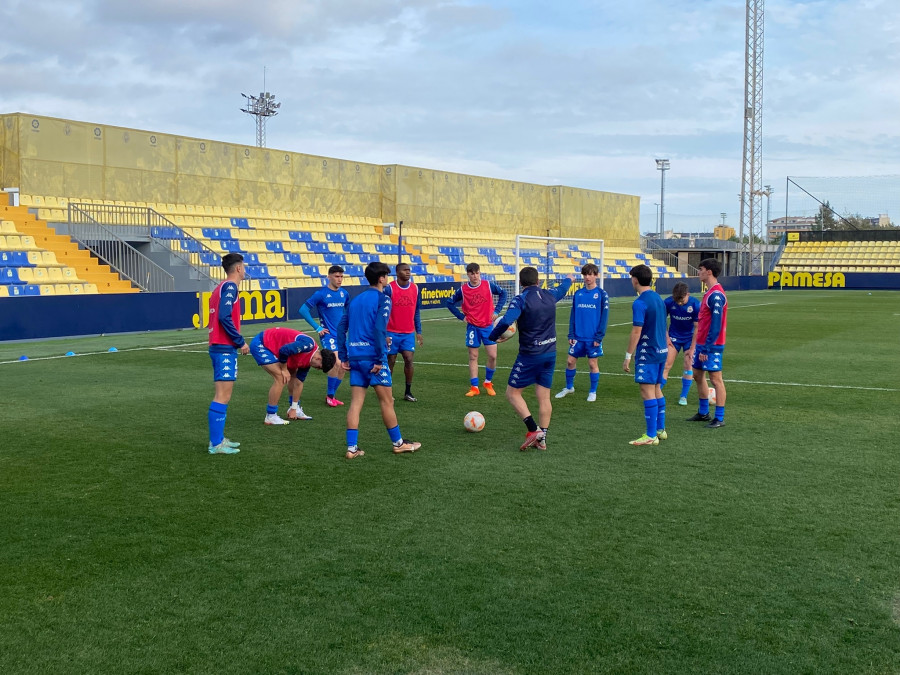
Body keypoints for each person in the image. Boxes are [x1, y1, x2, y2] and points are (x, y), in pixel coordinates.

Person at [336, 261, 421, 459]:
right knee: (387, 401)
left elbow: (341, 328)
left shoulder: (355, 300)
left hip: (355, 357)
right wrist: (379, 358)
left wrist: (344, 356)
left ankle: (352, 448)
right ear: (381, 278)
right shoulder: (383, 299)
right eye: (386, 276)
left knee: (356, 403)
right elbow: (378, 328)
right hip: (372, 358)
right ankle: (399, 443)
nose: (388, 279)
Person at [489, 267, 573, 450]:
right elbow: (563, 288)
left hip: (530, 355)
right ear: (538, 280)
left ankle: (533, 429)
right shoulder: (550, 294)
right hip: (550, 353)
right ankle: (542, 440)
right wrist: (569, 278)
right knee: (544, 397)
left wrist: (492, 336)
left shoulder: (521, 299)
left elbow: (505, 321)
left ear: (520, 283)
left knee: (512, 393)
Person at [207, 253, 250, 454]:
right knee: (223, 396)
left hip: (218, 346)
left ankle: (219, 440)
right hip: (224, 347)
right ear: (239, 268)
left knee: (221, 395)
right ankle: (215, 444)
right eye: (244, 267)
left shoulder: (219, 288)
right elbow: (224, 317)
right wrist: (240, 341)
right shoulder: (230, 287)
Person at [249, 326, 338, 425]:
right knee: (281, 378)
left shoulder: (310, 360)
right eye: (319, 367)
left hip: (275, 347)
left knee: (294, 375)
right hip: (262, 343)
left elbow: (298, 382)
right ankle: (271, 415)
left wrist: (294, 408)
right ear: (318, 359)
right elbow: (284, 350)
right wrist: (283, 369)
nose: (317, 369)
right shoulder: (308, 345)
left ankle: (294, 408)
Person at [445, 262, 508, 397]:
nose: (475, 276)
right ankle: (474, 387)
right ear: (468, 275)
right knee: (473, 356)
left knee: (492, 356)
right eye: (472, 273)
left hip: (488, 326)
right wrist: (461, 317)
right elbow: (449, 303)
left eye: (477, 273)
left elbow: (504, 294)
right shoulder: (463, 290)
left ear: (480, 273)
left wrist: (497, 310)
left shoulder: (488, 285)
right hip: (473, 327)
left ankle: (488, 382)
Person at [622, 264, 669, 446]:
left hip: (648, 352)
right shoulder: (658, 298)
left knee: (647, 390)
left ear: (635, 280)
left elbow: (636, 331)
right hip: (661, 350)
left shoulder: (640, 302)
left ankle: (651, 435)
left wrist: (628, 355)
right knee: (657, 388)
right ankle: (660, 429)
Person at [555, 263, 609, 402]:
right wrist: (571, 334)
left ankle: (592, 391)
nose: (587, 277)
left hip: (593, 337)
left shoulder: (602, 294)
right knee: (570, 361)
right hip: (578, 336)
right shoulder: (578, 294)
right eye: (585, 274)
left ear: (596, 275)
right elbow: (573, 314)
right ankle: (569, 387)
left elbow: (604, 317)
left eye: (590, 274)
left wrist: (599, 336)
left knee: (592, 364)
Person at [298, 265, 349, 407]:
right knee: (336, 362)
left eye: (341, 277)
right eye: (336, 276)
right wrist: (317, 327)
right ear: (329, 277)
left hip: (341, 335)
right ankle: (329, 397)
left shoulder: (344, 293)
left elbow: (346, 310)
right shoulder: (321, 294)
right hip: (328, 335)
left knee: (344, 366)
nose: (339, 279)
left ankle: (331, 396)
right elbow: (303, 310)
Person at [687, 258, 728, 428]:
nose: (699, 272)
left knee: (716, 379)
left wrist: (707, 348)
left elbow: (716, 325)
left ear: (709, 272)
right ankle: (704, 412)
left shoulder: (716, 295)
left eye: (701, 269)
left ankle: (719, 418)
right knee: (697, 375)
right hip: (703, 344)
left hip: (712, 345)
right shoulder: (709, 293)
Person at [384, 262, 423, 402]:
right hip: (391, 332)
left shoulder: (415, 289)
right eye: (405, 270)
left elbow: (416, 311)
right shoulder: (389, 289)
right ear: (397, 272)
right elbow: (381, 311)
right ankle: (387, 391)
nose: (408, 272)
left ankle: (408, 391)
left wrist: (418, 331)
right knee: (391, 361)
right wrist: (384, 333)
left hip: (408, 333)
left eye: (409, 270)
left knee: (409, 359)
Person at [663, 282, 702, 406]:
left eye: (682, 300)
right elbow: (661, 321)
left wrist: (692, 348)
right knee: (666, 365)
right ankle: (657, 391)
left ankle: (683, 396)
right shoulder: (668, 302)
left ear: (688, 294)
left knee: (688, 364)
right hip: (673, 337)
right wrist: (667, 338)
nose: (679, 303)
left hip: (689, 338)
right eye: (677, 300)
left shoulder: (696, 304)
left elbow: (697, 328)